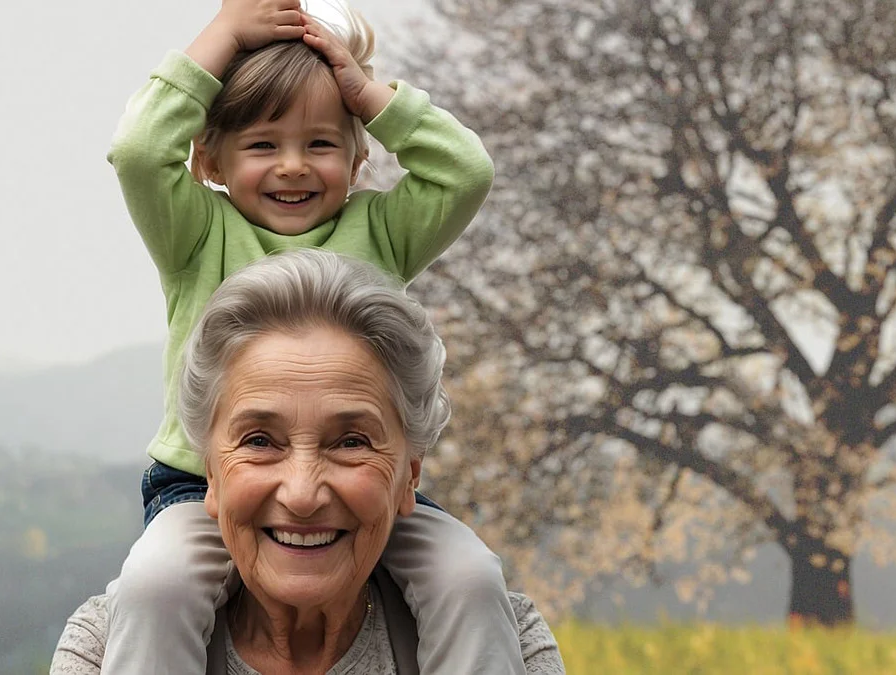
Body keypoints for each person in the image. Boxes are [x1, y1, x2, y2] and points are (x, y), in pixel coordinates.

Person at [104, 0, 521, 671]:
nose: (293, 166)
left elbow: (466, 171)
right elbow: (137, 151)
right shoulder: (195, 235)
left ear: (359, 160)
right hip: (201, 485)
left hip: (364, 485)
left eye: (321, 143)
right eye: (263, 144)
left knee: (468, 576)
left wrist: (372, 99)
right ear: (208, 158)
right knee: (159, 587)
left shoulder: (384, 231)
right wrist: (225, 34)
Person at [51, 250, 564, 674]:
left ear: (410, 474)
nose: (301, 494)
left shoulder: (510, 646)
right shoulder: (103, 651)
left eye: (351, 442)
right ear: (209, 472)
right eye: (258, 441)